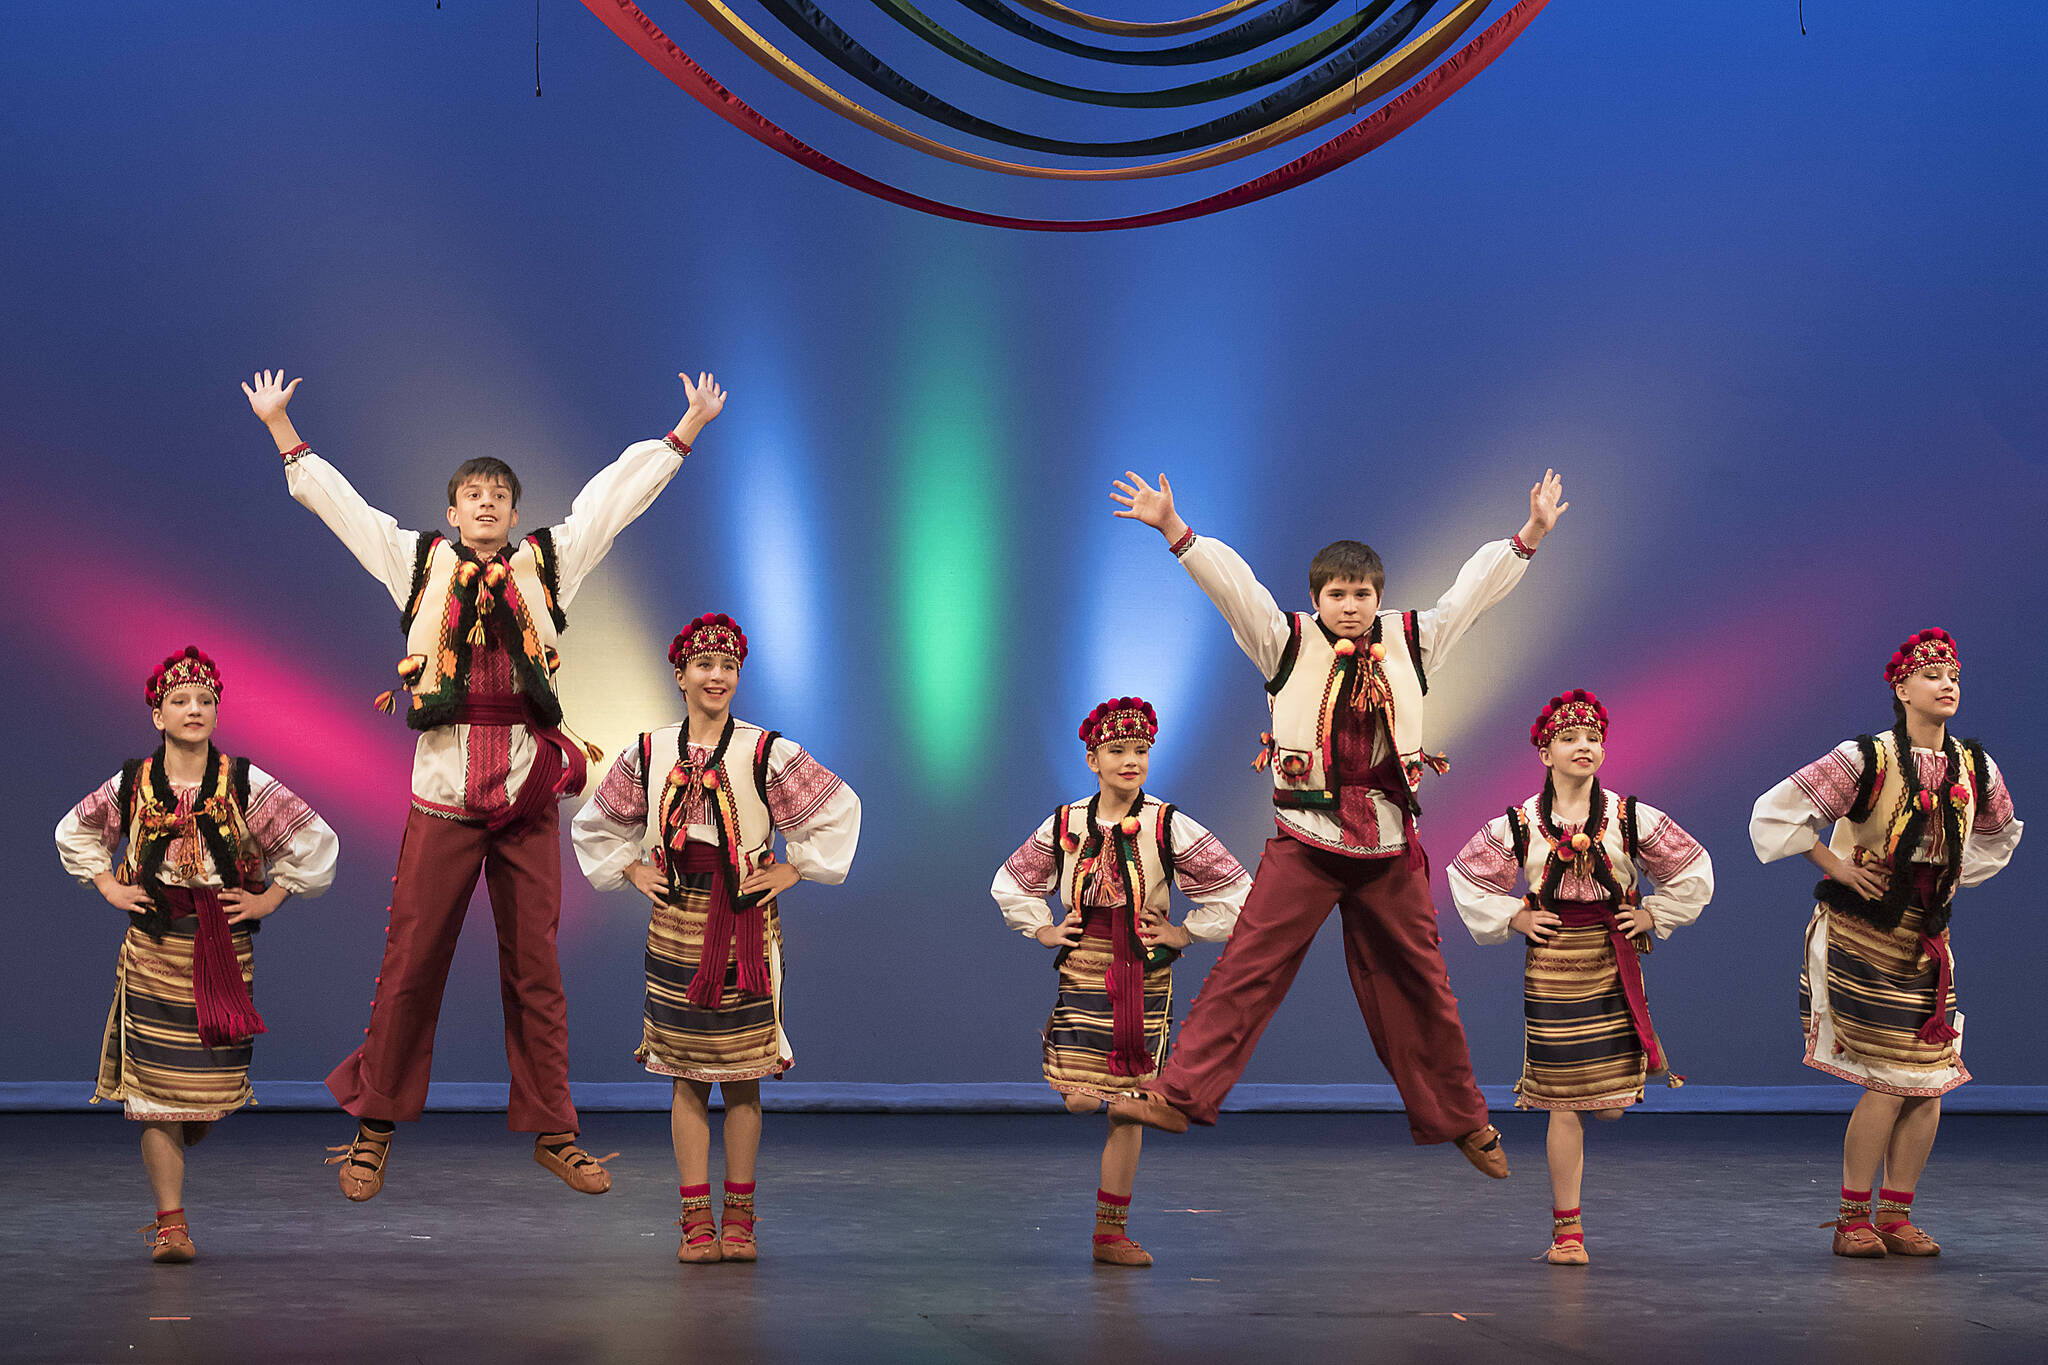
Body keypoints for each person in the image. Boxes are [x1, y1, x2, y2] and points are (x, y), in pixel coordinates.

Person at [240, 366, 726, 1200]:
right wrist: (284, 430)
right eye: (473, 493)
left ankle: (554, 1129)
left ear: (512, 506)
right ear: (454, 510)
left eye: (500, 492)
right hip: (444, 797)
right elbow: (348, 514)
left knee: (537, 965)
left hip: (528, 794)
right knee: (411, 962)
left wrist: (683, 434)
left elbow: (610, 501)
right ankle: (374, 1125)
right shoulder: (419, 562)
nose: (489, 503)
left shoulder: (547, 562)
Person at [1103, 466, 1568, 1185]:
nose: (1350, 606)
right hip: (1307, 843)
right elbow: (1234, 588)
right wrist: (1174, 529)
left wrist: (1530, 535)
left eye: (1362, 595)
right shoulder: (1283, 641)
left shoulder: (1414, 640)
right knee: (1246, 968)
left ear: (1379, 597)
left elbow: (1471, 594)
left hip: (1387, 846)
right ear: (1317, 597)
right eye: (1337, 595)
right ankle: (1179, 1092)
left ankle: (1463, 1116)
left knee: (1423, 985)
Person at [572, 613, 860, 1263]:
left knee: (744, 1076)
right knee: (685, 1074)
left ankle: (741, 1217)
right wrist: (630, 866)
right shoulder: (649, 751)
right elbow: (599, 823)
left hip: (745, 917)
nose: (717, 676)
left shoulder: (761, 750)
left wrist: (793, 866)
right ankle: (695, 1219)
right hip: (677, 917)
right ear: (680, 675)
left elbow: (836, 808)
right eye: (704, 665)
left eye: (728, 666)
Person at [56, 646, 338, 1262]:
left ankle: (195, 1119)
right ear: (157, 714)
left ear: (217, 711)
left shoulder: (242, 781)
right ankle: (171, 1223)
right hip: (154, 947)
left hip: (222, 953)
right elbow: (75, 830)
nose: (193, 710)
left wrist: (268, 900)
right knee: (156, 1093)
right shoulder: (133, 784)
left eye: (204, 701)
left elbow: (314, 841)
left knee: (207, 1092)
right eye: (179, 701)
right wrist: (107, 883)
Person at [1751, 629, 2020, 1258]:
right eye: (1931, 675)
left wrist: (1939, 877)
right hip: (1860, 933)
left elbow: (1998, 836)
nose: (1948, 684)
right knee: (1890, 1078)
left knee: (1932, 1078)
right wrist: (1838, 866)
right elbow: (1774, 813)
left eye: (1954, 674)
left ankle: (1896, 1214)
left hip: (1924, 937)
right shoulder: (1864, 758)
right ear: (1901, 688)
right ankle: (1852, 1219)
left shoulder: (1974, 766)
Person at [1448, 689, 1712, 1264]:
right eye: (1569, 739)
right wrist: (1516, 916)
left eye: (1592, 738)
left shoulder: (1627, 815)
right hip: (1551, 966)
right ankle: (1568, 1234)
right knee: (1561, 1102)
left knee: (1610, 1105)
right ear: (1545, 752)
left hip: (1611, 960)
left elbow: (1692, 867)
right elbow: (1466, 875)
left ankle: (1599, 1105)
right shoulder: (1522, 822)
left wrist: (1651, 914)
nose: (1583, 747)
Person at [991, 697, 1250, 1266]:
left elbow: (1237, 892)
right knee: (1083, 1096)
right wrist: (1043, 929)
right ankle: (1139, 1102)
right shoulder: (1066, 822)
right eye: (1117, 751)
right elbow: (1011, 883)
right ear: (1092, 759)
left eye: (1140, 751)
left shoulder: (1167, 823)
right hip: (1085, 964)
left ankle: (1110, 1233)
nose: (1130, 762)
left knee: (1124, 1096)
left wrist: (1182, 933)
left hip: (1143, 970)